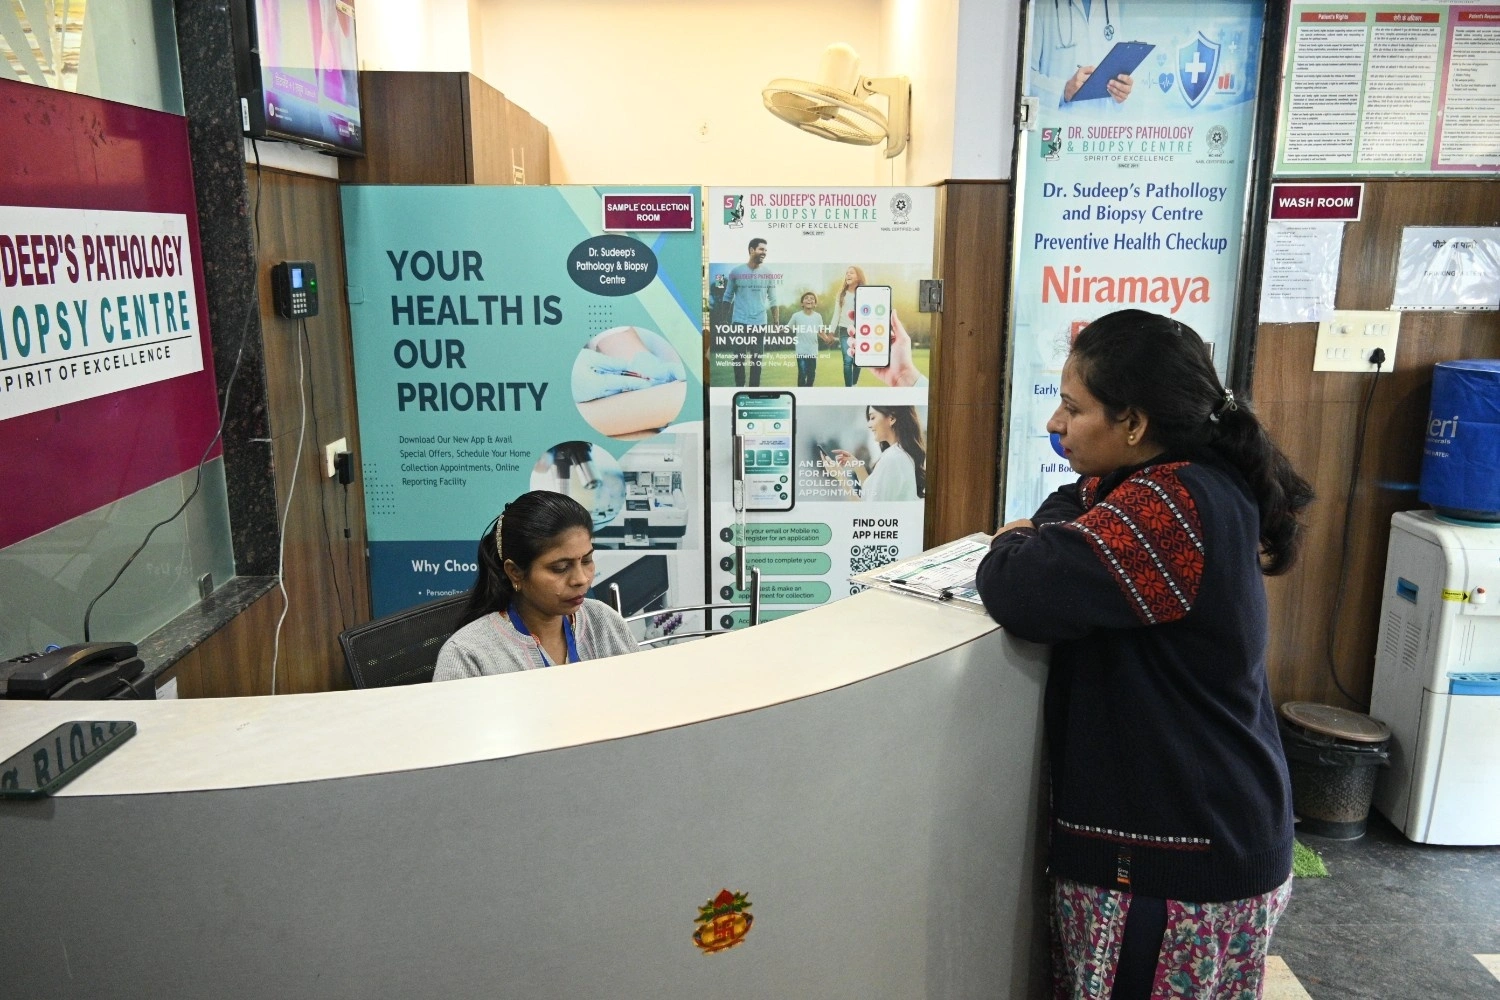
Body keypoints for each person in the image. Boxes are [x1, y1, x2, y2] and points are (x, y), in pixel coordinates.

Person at [974, 310, 1313, 1000]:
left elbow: (1020, 586)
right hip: (1202, 836)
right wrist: (1040, 530)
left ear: (1133, 423)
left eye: (1074, 408)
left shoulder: (1168, 504)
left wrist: (1011, 541)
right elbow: (1071, 502)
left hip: (1174, 856)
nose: (1055, 424)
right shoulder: (1177, 481)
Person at [433, 491, 636, 680]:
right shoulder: (467, 654)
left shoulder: (603, 620)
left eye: (586, 561)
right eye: (560, 567)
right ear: (515, 572)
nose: (581, 579)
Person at [1031, 0, 1135, 106]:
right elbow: (1023, 78)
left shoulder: (1111, 4)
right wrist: (1062, 90)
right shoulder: (1042, 4)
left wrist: (1121, 90)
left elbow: (1116, 67)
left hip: (1100, 118)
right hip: (1059, 119)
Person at [820, 405, 926, 502]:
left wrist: (840, 477)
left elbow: (868, 514)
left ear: (892, 418)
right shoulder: (898, 453)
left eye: (872, 418)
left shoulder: (893, 458)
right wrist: (858, 467)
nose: (869, 425)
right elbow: (872, 493)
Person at [723, 238, 780, 387]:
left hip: (759, 323)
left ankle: (753, 392)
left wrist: (776, 322)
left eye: (766, 250)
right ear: (751, 250)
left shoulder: (768, 274)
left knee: (757, 361)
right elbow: (727, 297)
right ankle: (739, 389)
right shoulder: (736, 272)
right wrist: (723, 319)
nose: (764, 253)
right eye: (761, 249)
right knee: (738, 359)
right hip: (739, 322)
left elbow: (773, 300)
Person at [833, 266, 866, 387]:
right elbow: (836, 313)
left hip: (861, 331)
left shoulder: (864, 293)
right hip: (844, 330)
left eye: (851, 273)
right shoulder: (841, 294)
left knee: (858, 360)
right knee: (847, 361)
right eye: (847, 273)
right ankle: (848, 388)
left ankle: (854, 384)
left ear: (858, 276)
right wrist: (831, 332)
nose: (848, 275)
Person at [788, 291, 826, 388]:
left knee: (811, 375)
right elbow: (788, 328)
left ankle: (808, 394)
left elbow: (821, 332)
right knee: (802, 374)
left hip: (812, 351)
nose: (809, 299)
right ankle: (800, 395)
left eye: (812, 298)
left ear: (815, 304)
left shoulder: (818, 317)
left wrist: (827, 339)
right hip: (801, 351)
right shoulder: (796, 316)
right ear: (802, 303)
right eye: (806, 298)